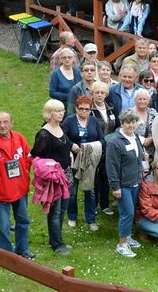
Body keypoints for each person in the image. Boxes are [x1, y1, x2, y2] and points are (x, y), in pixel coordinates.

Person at [31, 99, 79, 255]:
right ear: (49, 113)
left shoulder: (59, 127)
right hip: (54, 179)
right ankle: (57, 245)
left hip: (66, 174)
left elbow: (66, 143)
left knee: (63, 209)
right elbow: (37, 158)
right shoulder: (44, 134)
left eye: (63, 110)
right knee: (55, 211)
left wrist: (74, 147)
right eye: (58, 111)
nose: (62, 113)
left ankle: (57, 240)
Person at [0, 112, 35, 259]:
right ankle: (7, 256)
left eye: (5, 122)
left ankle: (23, 249)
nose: (2, 126)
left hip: (20, 189)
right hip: (0, 192)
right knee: (3, 226)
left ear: (11, 123)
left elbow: (28, 156)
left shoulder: (19, 138)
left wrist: (26, 173)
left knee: (23, 221)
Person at [106, 109, 147, 258]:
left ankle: (128, 236)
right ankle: (121, 244)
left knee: (131, 212)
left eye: (134, 122)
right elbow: (111, 167)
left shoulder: (135, 137)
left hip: (135, 182)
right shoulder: (115, 142)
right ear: (122, 123)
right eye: (128, 122)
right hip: (123, 185)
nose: (131, 125)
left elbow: (137, 156)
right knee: (127, 213)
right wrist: (115, 187)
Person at [62, 96, 105, 231]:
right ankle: (72, 217)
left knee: (90, 190)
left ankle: (91, 220)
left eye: (87, 109)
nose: (84, 111)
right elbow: (62, 137)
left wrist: (92, 146)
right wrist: (72, 145)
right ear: (76, 108)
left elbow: (102, 140)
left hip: (90, 159)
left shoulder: (94, 121)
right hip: (73, 159)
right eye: (81, 109)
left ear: (90, 109)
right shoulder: (69, 121)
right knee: (73, 190)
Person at [90, 81, 118, 216]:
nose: (100, 95)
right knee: (95, 177)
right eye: (97, 92)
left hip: (110, 147)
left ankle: (105, 204)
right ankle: (93, 205)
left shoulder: (110, 108)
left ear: (106, 94)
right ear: (93, 94)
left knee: (106, 175)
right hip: (95, 147)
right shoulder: (90, 110)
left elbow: (117, 125)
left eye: (102, 92)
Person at [132, 89, 157, 158]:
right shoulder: (129, 114)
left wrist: (151, 138)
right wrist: (142, 140)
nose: (142, 101)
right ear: (135, 100)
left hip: (152, 151)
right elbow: (126, 131)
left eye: (145, 99)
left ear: (148, 101)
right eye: (140, 99)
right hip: (134, 150)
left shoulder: (153, 113)